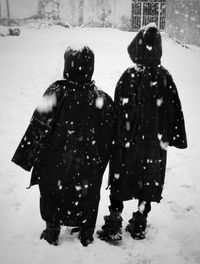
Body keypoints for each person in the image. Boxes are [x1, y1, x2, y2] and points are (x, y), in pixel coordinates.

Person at [12, 45, 115, 246]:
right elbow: (109, 138)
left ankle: (52, 230)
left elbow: (38, 126)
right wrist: (100, 161)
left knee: (52, 191)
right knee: (87, 194)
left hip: (54, 162)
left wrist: (27, 156)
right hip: (88, 164)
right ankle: (86, 232)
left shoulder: (56, 92)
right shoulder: (102, 99)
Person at [97, 23, 187, 242]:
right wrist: (174, 135)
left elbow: (118, 111)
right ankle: (140, 221)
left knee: (121, 179)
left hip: (128, 143)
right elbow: (175, 110)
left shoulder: (129, 76)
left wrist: (113, 137)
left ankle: (115, 221)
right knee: (149, 181)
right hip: (154, 146)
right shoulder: (165, 77)